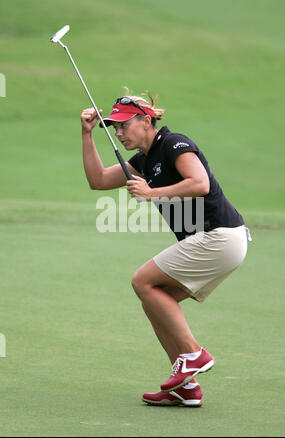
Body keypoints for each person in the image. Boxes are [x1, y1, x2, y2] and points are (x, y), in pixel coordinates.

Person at [80, 91, 251, 407]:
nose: (118, 134)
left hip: (219, 235)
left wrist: (151, 192)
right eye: (114, 129)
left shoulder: (174, 143)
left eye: (123, 126)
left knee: (142, 281)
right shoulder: (144, 160)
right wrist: (87, 134)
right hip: (217, 242)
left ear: (146, 121)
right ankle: (186, 386)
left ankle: (194, 354)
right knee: (156, 300)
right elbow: (99, 180)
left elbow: (199, 183)